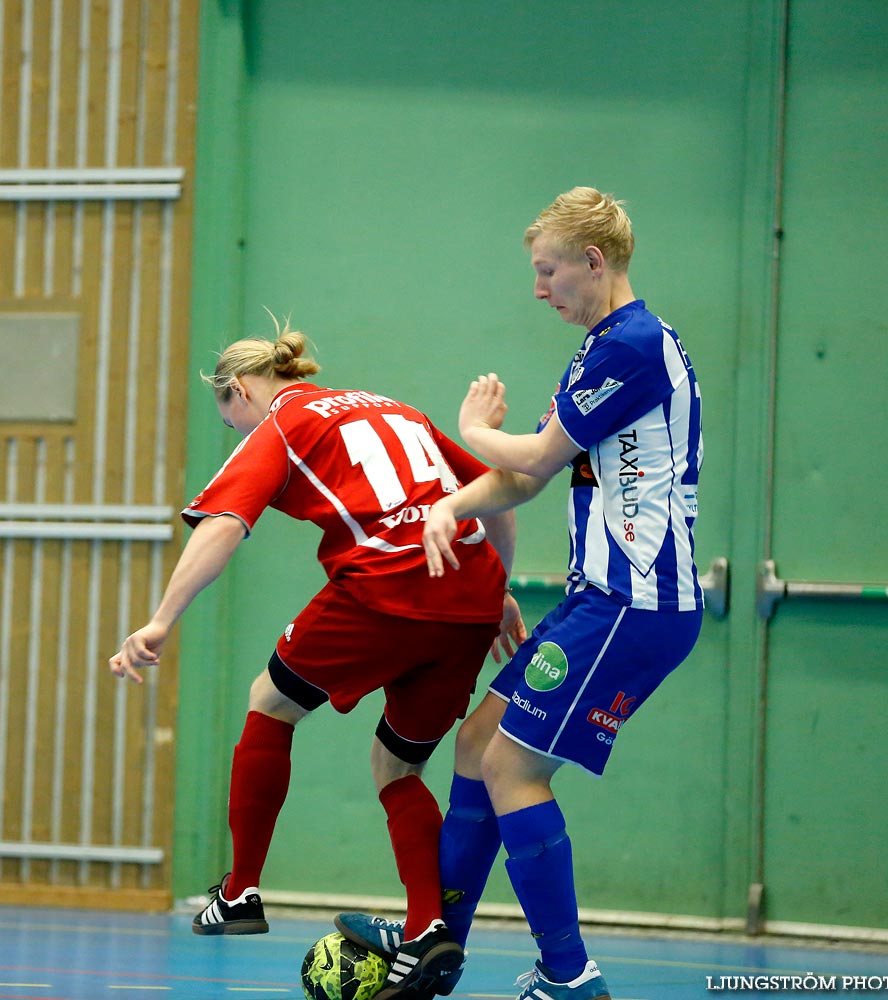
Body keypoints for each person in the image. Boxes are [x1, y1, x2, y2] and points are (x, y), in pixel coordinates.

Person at [335, 187, 703, 1000]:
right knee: (476, 745)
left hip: (632, 604)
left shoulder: (632, 347)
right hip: (599, 602)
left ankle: (569, 976)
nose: (540, 290)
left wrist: (469, 425)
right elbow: (528, 478)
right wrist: (450, 507)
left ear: (594, 262)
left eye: (549, 272)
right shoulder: (605, 349)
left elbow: (530, 457)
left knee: (510, 768)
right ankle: (437, 939)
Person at [109, 323, 529, 998]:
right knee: (398, 764)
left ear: (243, 391)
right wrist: (499, 586)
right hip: (469, 595)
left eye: (232, 421)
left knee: (269, 702)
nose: (239, 434)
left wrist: (160, 621)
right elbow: (498, 491)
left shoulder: (282, 425)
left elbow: (223, 524)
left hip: (385, 587)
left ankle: (240, 890)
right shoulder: (395, 408)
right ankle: (427, 930)